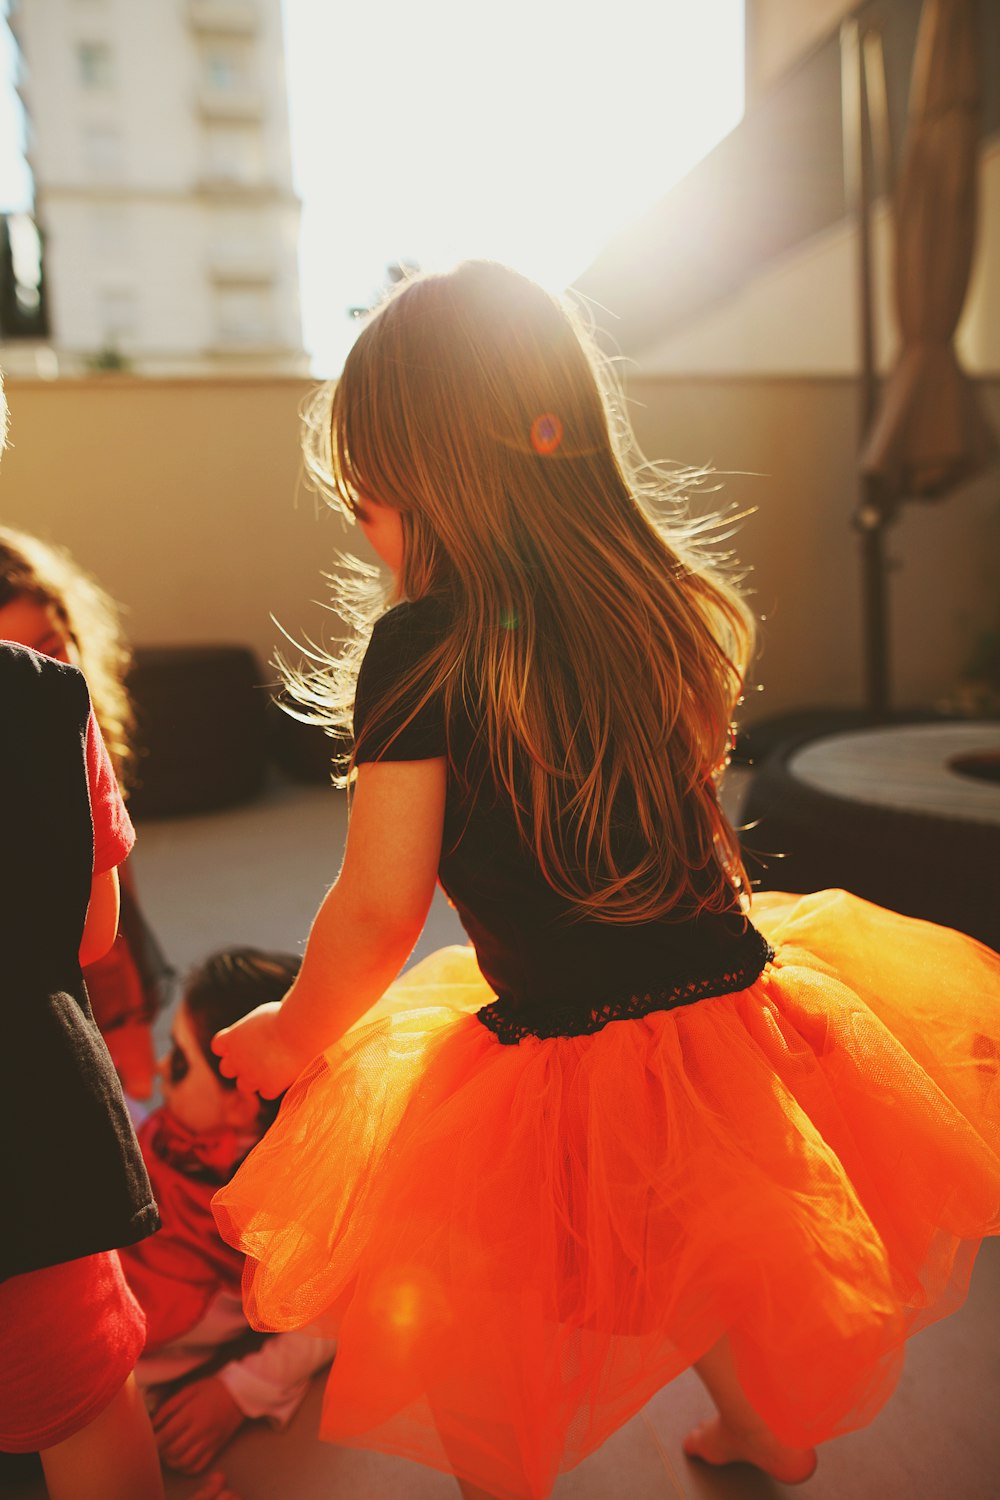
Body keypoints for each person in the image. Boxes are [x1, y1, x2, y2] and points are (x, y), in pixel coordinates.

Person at [211, 261, 1000, 1500]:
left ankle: (502, 1480)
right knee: (701, 1239)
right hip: (724, 1005)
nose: (361, 525)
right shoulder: (650, 601)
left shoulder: (420, 646)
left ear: (427, 477)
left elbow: (378, 907)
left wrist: (292, 1032)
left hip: (568, 1036)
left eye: (365, 497)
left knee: (487, 1297)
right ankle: (762, 1428)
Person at [119, 947, 336, 1478]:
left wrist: (236, 1392)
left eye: (181, 1059)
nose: (161, 1069)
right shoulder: (181, 1130)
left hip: (90, 1387)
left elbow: (336, 1316)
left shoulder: (279, 1214)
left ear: (240, 1102)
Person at [0, 523, 174, 1105]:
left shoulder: (74, 719)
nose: (35, 684)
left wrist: (126, 1029)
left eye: (48, 652)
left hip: (92, 948)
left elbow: (111, 908)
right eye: (12, 669)